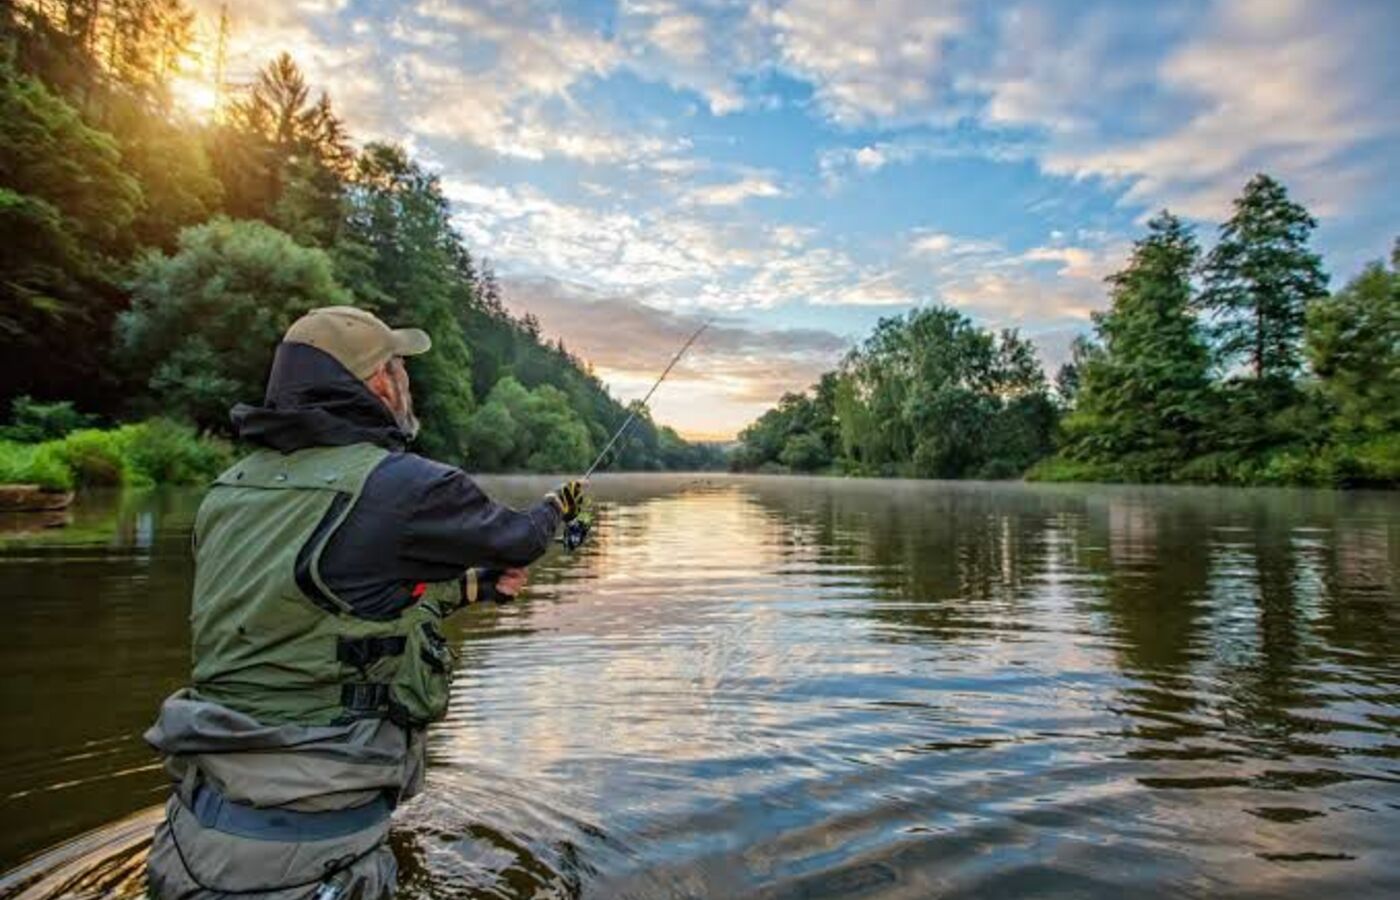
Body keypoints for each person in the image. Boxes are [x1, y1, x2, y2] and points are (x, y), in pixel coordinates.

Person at [144, 306, 586, 898]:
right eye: (402, 369)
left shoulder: (230, 490)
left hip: (188, 841)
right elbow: (519, 539)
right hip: (307, 867)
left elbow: (322, 607)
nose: (408, 383)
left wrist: (476, 586)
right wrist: (557, 507)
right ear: (380, 380)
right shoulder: (408, 486)